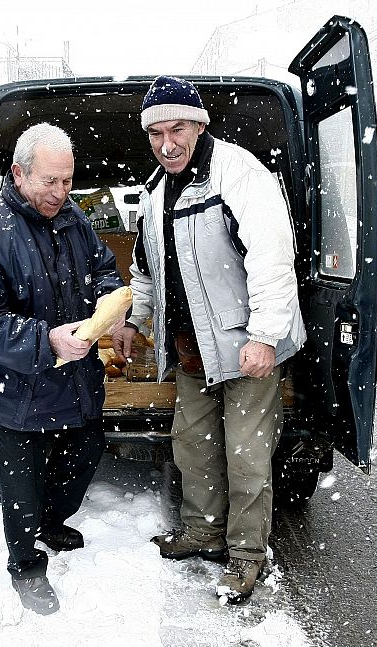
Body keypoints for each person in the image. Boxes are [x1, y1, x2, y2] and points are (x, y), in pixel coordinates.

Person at [112, 76, 305, 603]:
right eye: (156, 133)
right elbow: (147, 268)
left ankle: (246, 554)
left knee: (246, 454)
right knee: (193, 445)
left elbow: (271, 258)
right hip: (191, 347)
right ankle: (203, 531)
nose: (167, 143)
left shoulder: (239, 175)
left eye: (178, 129)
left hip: (246, 347)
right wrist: (136, 319)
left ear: (200, 125)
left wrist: (265, 335)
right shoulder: (156, 192)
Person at [0, 123, 123, 615]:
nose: (60, 193)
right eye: (49, 181)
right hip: (17, 388)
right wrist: (45, 341)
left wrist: (115, 309)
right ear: (18, 174)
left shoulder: (74, 219)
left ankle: (51, 520)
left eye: (68, 181)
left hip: (75, 377)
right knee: (19, 486)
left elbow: (105, 270)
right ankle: (25, 565)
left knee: (86, 453)